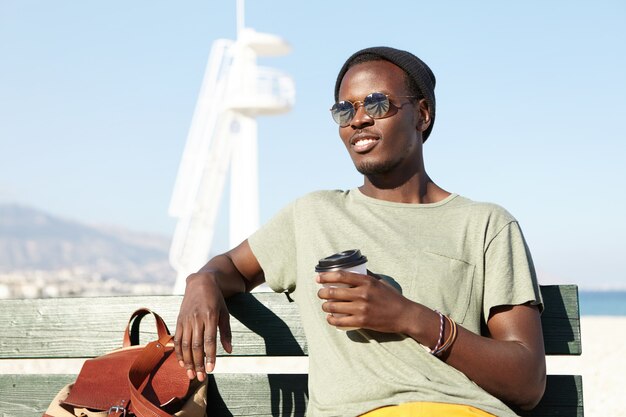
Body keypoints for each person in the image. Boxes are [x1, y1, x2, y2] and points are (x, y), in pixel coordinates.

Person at [174, 46, 546, 417]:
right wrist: (201, 281)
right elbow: (233, 269)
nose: (359, 120)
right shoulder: (313, 214)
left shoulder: (486, 224)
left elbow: (527, 383)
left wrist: (408, 316)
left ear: (422, 114)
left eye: (377, 104)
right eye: (344, 110)